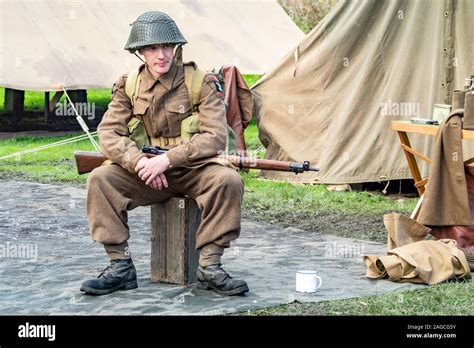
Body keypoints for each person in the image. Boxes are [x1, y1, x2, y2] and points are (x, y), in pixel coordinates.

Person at [80, 11, 249, 296]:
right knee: (100, 180)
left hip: (193, 171)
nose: (162, 55)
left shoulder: (201, 82)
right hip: (146, 175)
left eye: (167, 46)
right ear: (140, 52)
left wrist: (166, 160)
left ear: (177, 47)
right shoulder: (127, 86)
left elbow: (215, 137)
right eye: (152, 48)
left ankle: (210, 266)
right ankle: (120, 266)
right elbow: (109, 133)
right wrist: (139, 162)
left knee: (228, 181)